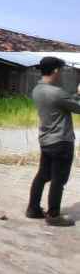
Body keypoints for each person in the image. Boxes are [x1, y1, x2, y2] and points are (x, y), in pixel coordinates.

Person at [27, 56, 80, 226]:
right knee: (59, 179)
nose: (62, 73)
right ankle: (54, 215)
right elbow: (77, 108)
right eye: (62, 70)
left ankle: (33, 209)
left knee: (43, 175)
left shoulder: (37, 90)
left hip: (46, 140)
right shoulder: (57, 92)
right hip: (61, 142)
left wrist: (75, 96)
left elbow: (64, 102)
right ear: (56, 70)